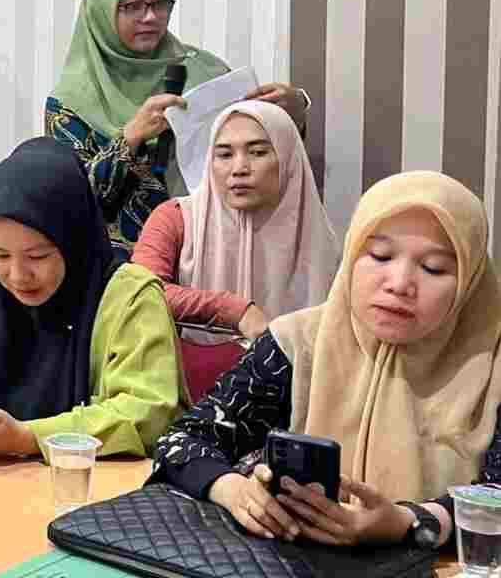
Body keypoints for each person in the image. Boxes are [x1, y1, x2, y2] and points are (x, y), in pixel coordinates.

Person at [153, 171, 501, 552]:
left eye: (433, 267)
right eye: (380, 256)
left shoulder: (492, 365)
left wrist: (409, 522)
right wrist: (233, 490)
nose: (400, 283)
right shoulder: (296, 343)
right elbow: (182, 440)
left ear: (470, 281)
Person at [0, 138, 187, 461]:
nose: (18, 276)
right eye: (0, 255)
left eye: (38, 256)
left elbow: (147, 412)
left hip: (94, 482)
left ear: (73, 240)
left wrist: (27, 438)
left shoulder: (130, 296)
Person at [47, 0, 311, 257]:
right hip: (118, 265)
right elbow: (71, 201)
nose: (150, 16)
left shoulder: (205, 71)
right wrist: (131, 137)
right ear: (101, 12)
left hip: (210, 253)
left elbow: (265, 157)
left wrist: (294, 111)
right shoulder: (70, 103)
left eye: (160, 3)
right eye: (132, 6)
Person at [131, 101, 339, 339]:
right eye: (225, 155)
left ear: (288, 159)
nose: (239, 168)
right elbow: (139, 292)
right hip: (190, 361)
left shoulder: (317, 236)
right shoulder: (176, 217)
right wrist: (232, 310)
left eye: (258, 152)